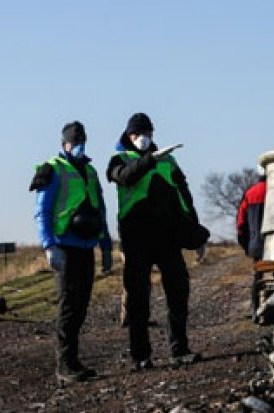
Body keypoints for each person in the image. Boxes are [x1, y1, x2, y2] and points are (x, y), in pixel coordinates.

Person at [106, 112, 201, 370]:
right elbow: (124, 177)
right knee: (138, 298)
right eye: (139, 134)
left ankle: (179, 349)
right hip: (136, 238)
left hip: (167, 237)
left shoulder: (168, 161)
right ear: (129, 135)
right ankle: (141, 355)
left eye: (148, 133)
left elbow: (184, 196)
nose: (144, 138)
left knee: (179, 292)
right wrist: (149, 160)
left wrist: (195, 231)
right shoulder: (119, 159)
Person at [29, 121, 112, 385]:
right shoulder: (53, 169)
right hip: (64, 246)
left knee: (82, 305)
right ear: (64, 144)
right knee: (68, 305)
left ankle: (74, 361)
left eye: (81, 142)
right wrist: (48, 245)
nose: (78, 146)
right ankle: (64, 365)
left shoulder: (90, 170)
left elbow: (100, 209)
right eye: (74, 142)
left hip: (87, 245)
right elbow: (42, 210)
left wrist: (106, 245)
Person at [236, 166, 267, 320]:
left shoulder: (250, 193)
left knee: (258, 277)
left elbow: (241, 224)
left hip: (257, 245)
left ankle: (256, 311)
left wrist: (247, 245)